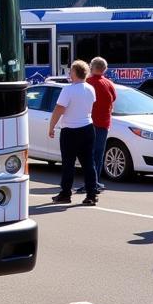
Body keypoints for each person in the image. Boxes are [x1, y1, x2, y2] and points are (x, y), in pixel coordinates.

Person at [48, 60, 99, 205]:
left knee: (68, 163)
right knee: (89, 163)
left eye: (71, 71)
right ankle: (91, 194)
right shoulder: (90, 89)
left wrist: (51, 126)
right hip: (88, 128)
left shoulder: (68, 90)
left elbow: (59, 109)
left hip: (70, 130)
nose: (69, 73)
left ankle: (65, 194)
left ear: (75, 73)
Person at [76, 57, 116, 194]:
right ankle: (96, 182)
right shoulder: (109, 84)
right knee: (98, 155)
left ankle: (89, 184)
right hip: (104, 124)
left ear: (92, 67)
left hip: (89, 123)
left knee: (88, 155)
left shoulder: (88, 83)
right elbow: (113, 99)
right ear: (105, 69)